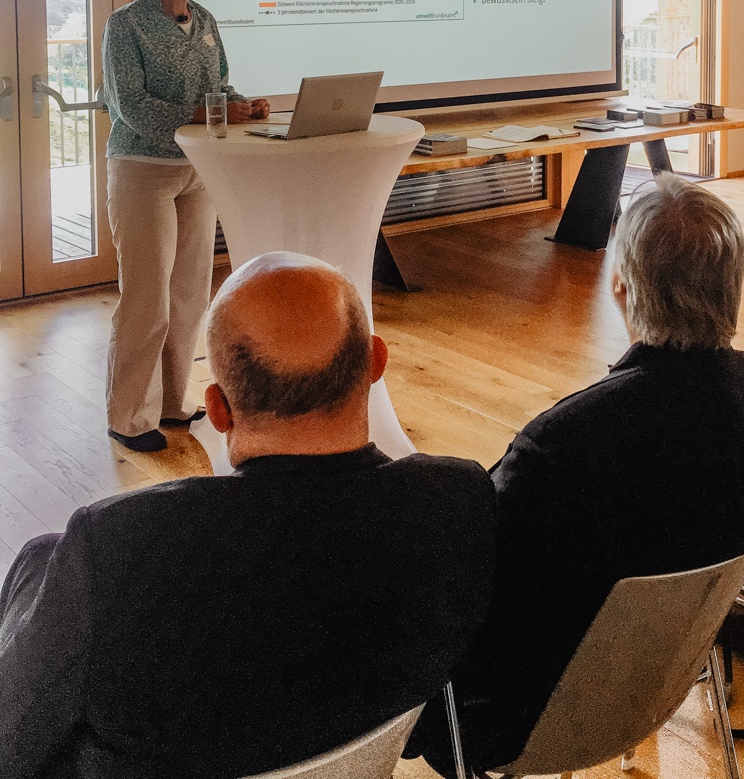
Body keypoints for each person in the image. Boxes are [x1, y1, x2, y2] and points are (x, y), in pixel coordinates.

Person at [0, 251, 496, 779]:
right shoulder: (459, 498)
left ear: (217, 409)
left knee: (43, 561)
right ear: (375, 362)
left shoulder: (118, 546)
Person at [414, 173, 744, 776]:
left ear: (620, 284)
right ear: (733, 284)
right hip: (665, 684)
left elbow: (473, 587)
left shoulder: (563, 444)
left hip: (522, 718)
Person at [101, 0, 271, 451]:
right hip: (142, 168)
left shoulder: (206, 20)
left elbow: (218, 85)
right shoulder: (125, 24)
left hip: (199, 168)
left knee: (189, 294)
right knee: (146, 298)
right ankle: (130, 416)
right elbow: (132, 107)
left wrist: (245, 104)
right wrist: (208, 112)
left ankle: (172, 402)